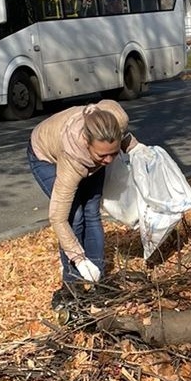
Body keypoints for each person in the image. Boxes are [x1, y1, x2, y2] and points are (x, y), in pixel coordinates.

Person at [28, 100, 140, 307]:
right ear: (87, 142)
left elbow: (117, 127)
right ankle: (73, 284)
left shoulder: (118, 119)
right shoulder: (73, 159)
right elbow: (58, 218)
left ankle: (99, 279)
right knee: (75, 215)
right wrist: (79, 259)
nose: (108, 161)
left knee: (91, 211)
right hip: (45, 154)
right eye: (102, 155)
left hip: (87, 155)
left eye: (113, 153)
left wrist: (137, 149)